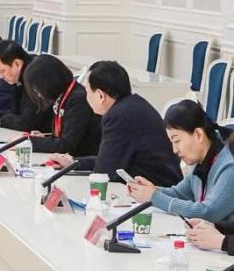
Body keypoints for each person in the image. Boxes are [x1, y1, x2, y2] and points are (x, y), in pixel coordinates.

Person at [45, 61, 181, 186]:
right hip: (154, 184)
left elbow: (104, 172)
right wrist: (74, 162)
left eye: (87, 91)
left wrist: (76, 164)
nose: (85, 96)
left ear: (100, 95)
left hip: (158, 189)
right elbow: (109, 159)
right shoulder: (130, 106)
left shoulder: (119, 116)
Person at [128, 100, 234, 223]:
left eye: (177, 141)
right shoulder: (204, 159)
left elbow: (207, 212)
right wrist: (149, 190)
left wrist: (154, 196)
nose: (174, 150)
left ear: (198, 135)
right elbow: (180, 193)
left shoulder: (230, 165)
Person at [13, 55, 101, 155]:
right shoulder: (64, 95)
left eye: (37, 89)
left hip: (82, 159)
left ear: (48, 82)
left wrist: (28, 142)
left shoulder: (78, 99)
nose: (39, 94)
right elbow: (64, 135)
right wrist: (45, 138)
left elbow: (66, 145)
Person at [0, 40, 51, 133]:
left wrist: (2, 120)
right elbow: (17, 111)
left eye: (2, 71)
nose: (1, 77)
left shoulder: (35, 76)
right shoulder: (21, 76)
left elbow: (27, 123)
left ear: (17, 64)